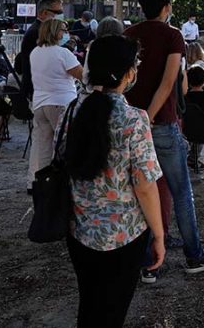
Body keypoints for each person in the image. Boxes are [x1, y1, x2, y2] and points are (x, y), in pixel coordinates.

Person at [124, 0, 204, 283]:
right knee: (181, 192)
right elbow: (169, 82)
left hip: (132, 123)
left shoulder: (130, 34)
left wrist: (137, 118)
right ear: (166, 7)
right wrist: (149, 117)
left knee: (138, 190)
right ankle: (195, 256)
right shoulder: (172, 35)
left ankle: (147, 263)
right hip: (160, 123)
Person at [62, 35, 165, 328]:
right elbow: (145, 186)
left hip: (78, 229)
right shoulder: (134, 119)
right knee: (112, 311)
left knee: (91, 304)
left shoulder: (73, 112)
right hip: (124, 235)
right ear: (128, 73)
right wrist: (158, 234)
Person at [28, 19, 82, 189]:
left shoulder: (35, 52)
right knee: (65, 148)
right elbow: (82, 74)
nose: (66, 33)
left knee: (44, 149)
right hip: (61, 103)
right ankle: (65, 185)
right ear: (55, 32)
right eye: (63, 30)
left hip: (39, 104)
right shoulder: (63, 53)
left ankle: (44, 185)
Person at [17, 0, 64, 101]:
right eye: (57, 13)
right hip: (38, 89)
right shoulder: (37, 32)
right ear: (44, 13)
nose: (60, 16)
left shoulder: (40, 30)